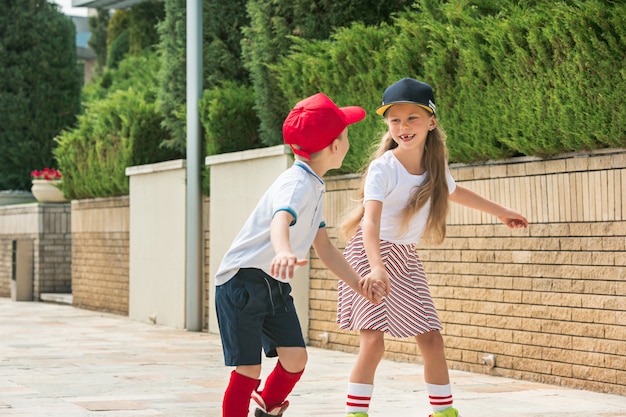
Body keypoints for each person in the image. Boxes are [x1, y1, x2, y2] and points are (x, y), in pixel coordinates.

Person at [337, 78, 529, 417]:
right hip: (370, 255)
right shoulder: (384, 168)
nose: (403, 126)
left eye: (412, 117)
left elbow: (456, 191)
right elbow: (369, 221)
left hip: (405, 258)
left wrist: (503, 212)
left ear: (431, 121)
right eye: (395, 119)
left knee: (431, 338)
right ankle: (356, 414)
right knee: (373, 342)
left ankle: (443, 412)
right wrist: (376, 266)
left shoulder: (434, 165)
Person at [215, 92, 388, 417]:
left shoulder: (314, 184)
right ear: (335, 147)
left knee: (295, 358)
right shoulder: (296, 184)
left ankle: (266, 407)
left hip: (273, 285)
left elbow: (323, 246)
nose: (347, 140)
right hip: (243, 282)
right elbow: (281, 219)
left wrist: (359, 284)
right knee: (247, 370)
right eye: (345, 134)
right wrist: (282, 250)